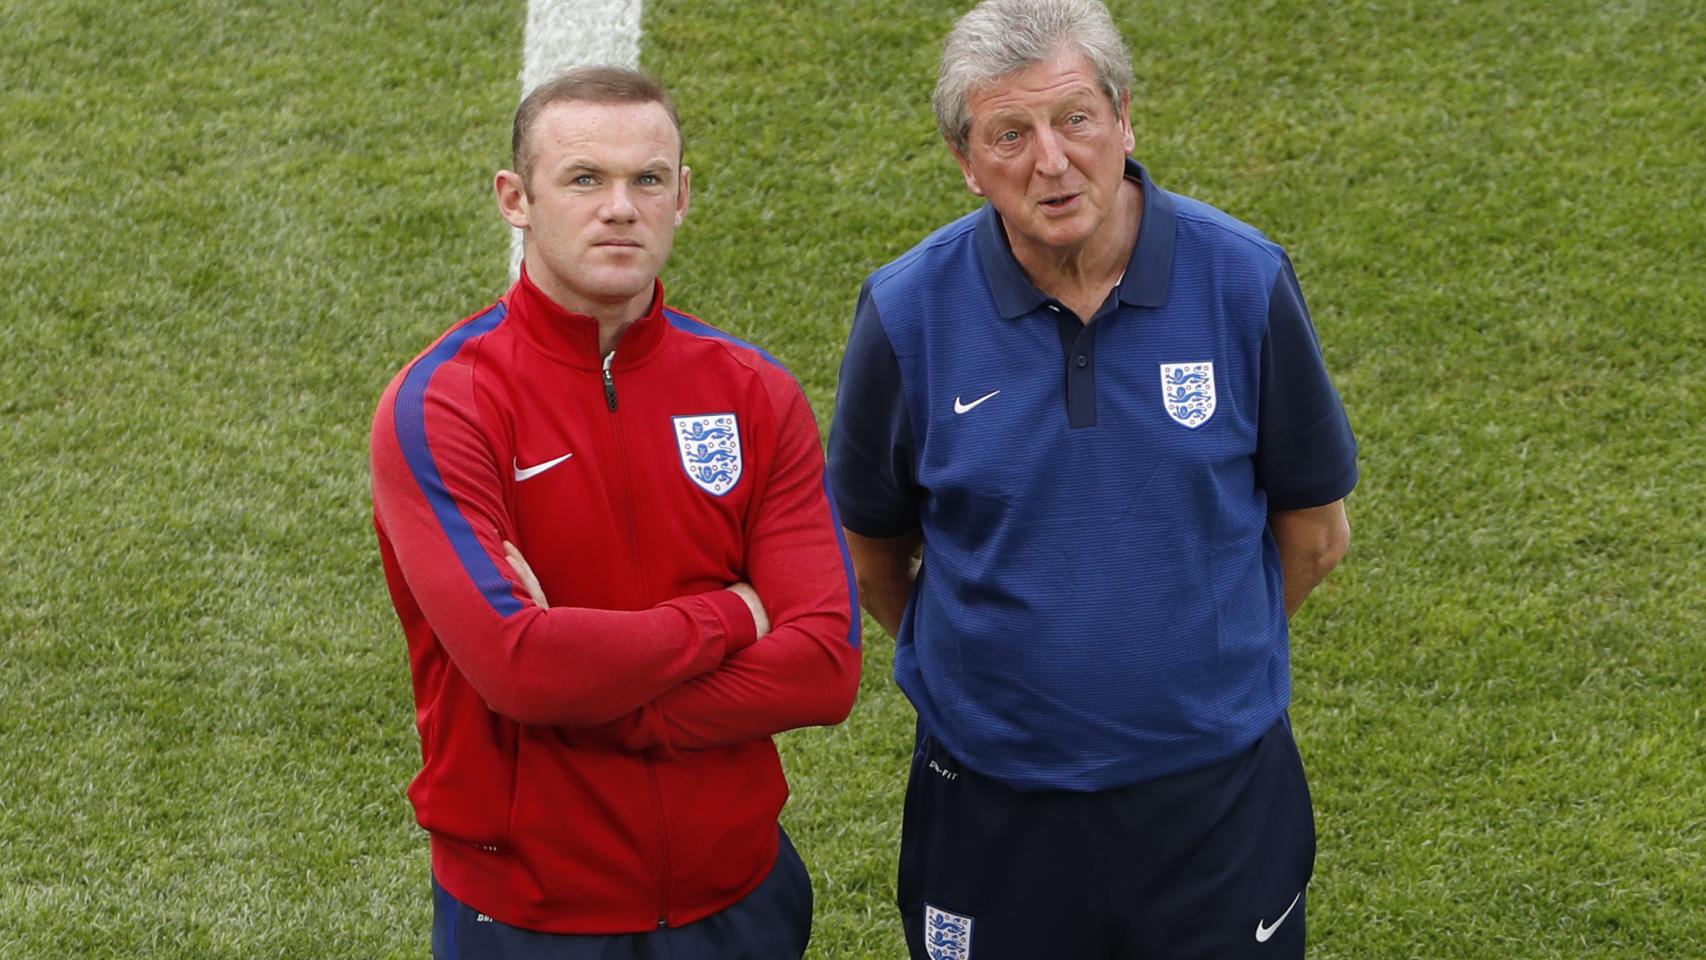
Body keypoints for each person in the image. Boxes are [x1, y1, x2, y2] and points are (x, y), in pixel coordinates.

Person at [828, 1, 1357, 957]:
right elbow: (873, 554)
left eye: (1075, 118)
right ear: (966, 161)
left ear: (1123, 120)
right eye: (1009, 134)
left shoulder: (1243, 281)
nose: (1051, 160)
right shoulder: (907, 311)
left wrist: (1193, 660)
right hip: (991, 807)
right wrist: (994, 677)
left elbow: (1315, 533)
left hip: (1214, 805)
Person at [371, 66, 861, 960]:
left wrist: (598, 694)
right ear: (515, 199)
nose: (621, 208)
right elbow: (519, 670)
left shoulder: (754, 392)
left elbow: (825, 669)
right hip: (528, 920)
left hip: (741, 900)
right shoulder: (444, 405)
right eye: (585, 179)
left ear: (681, 197)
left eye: (647, 180)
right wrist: (735, 613)